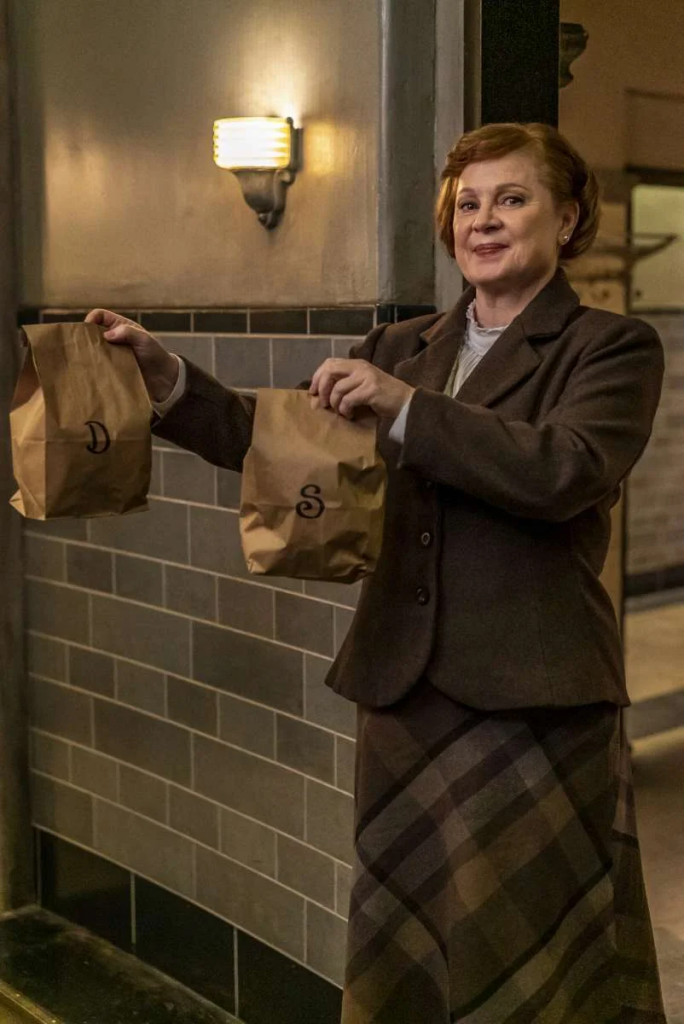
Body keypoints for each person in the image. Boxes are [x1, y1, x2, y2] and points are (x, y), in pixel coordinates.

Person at [87, 122, 666, 1023]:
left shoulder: (610, 346)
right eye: (467, 204)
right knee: (408, 952)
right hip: (403, 690)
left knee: (525, 953)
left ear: (567, 218)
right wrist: (168, 380)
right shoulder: (400, 346)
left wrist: (407, 411)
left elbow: (565, 470)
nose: (484, 220)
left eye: (512, 199)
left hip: (533, 695)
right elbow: (276, 444)